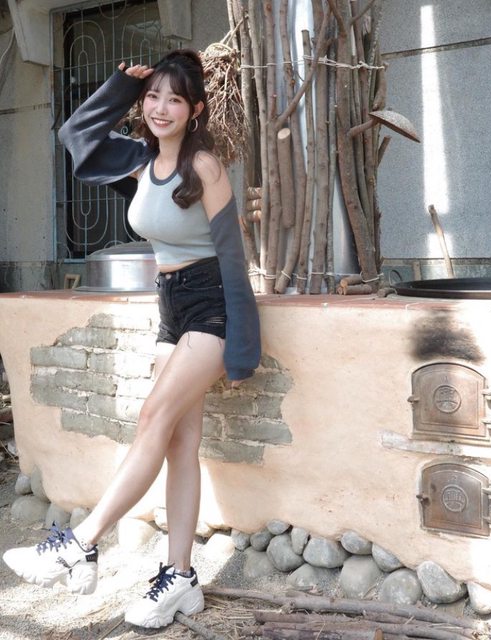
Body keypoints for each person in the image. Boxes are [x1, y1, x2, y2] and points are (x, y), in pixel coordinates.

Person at [3, 49, 261, 630]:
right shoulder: (141, 161)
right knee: (178, 443)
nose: (161, 108)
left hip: (212, 306)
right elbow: (75, 135)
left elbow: (233, 258)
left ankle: (82, 541)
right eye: (153, 97)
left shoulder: (204, 168)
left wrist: (243, 346)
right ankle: (182, 579)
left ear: (196, 109)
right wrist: (120, 86)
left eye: (175, 99)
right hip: (170, 305)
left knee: (151, 419)